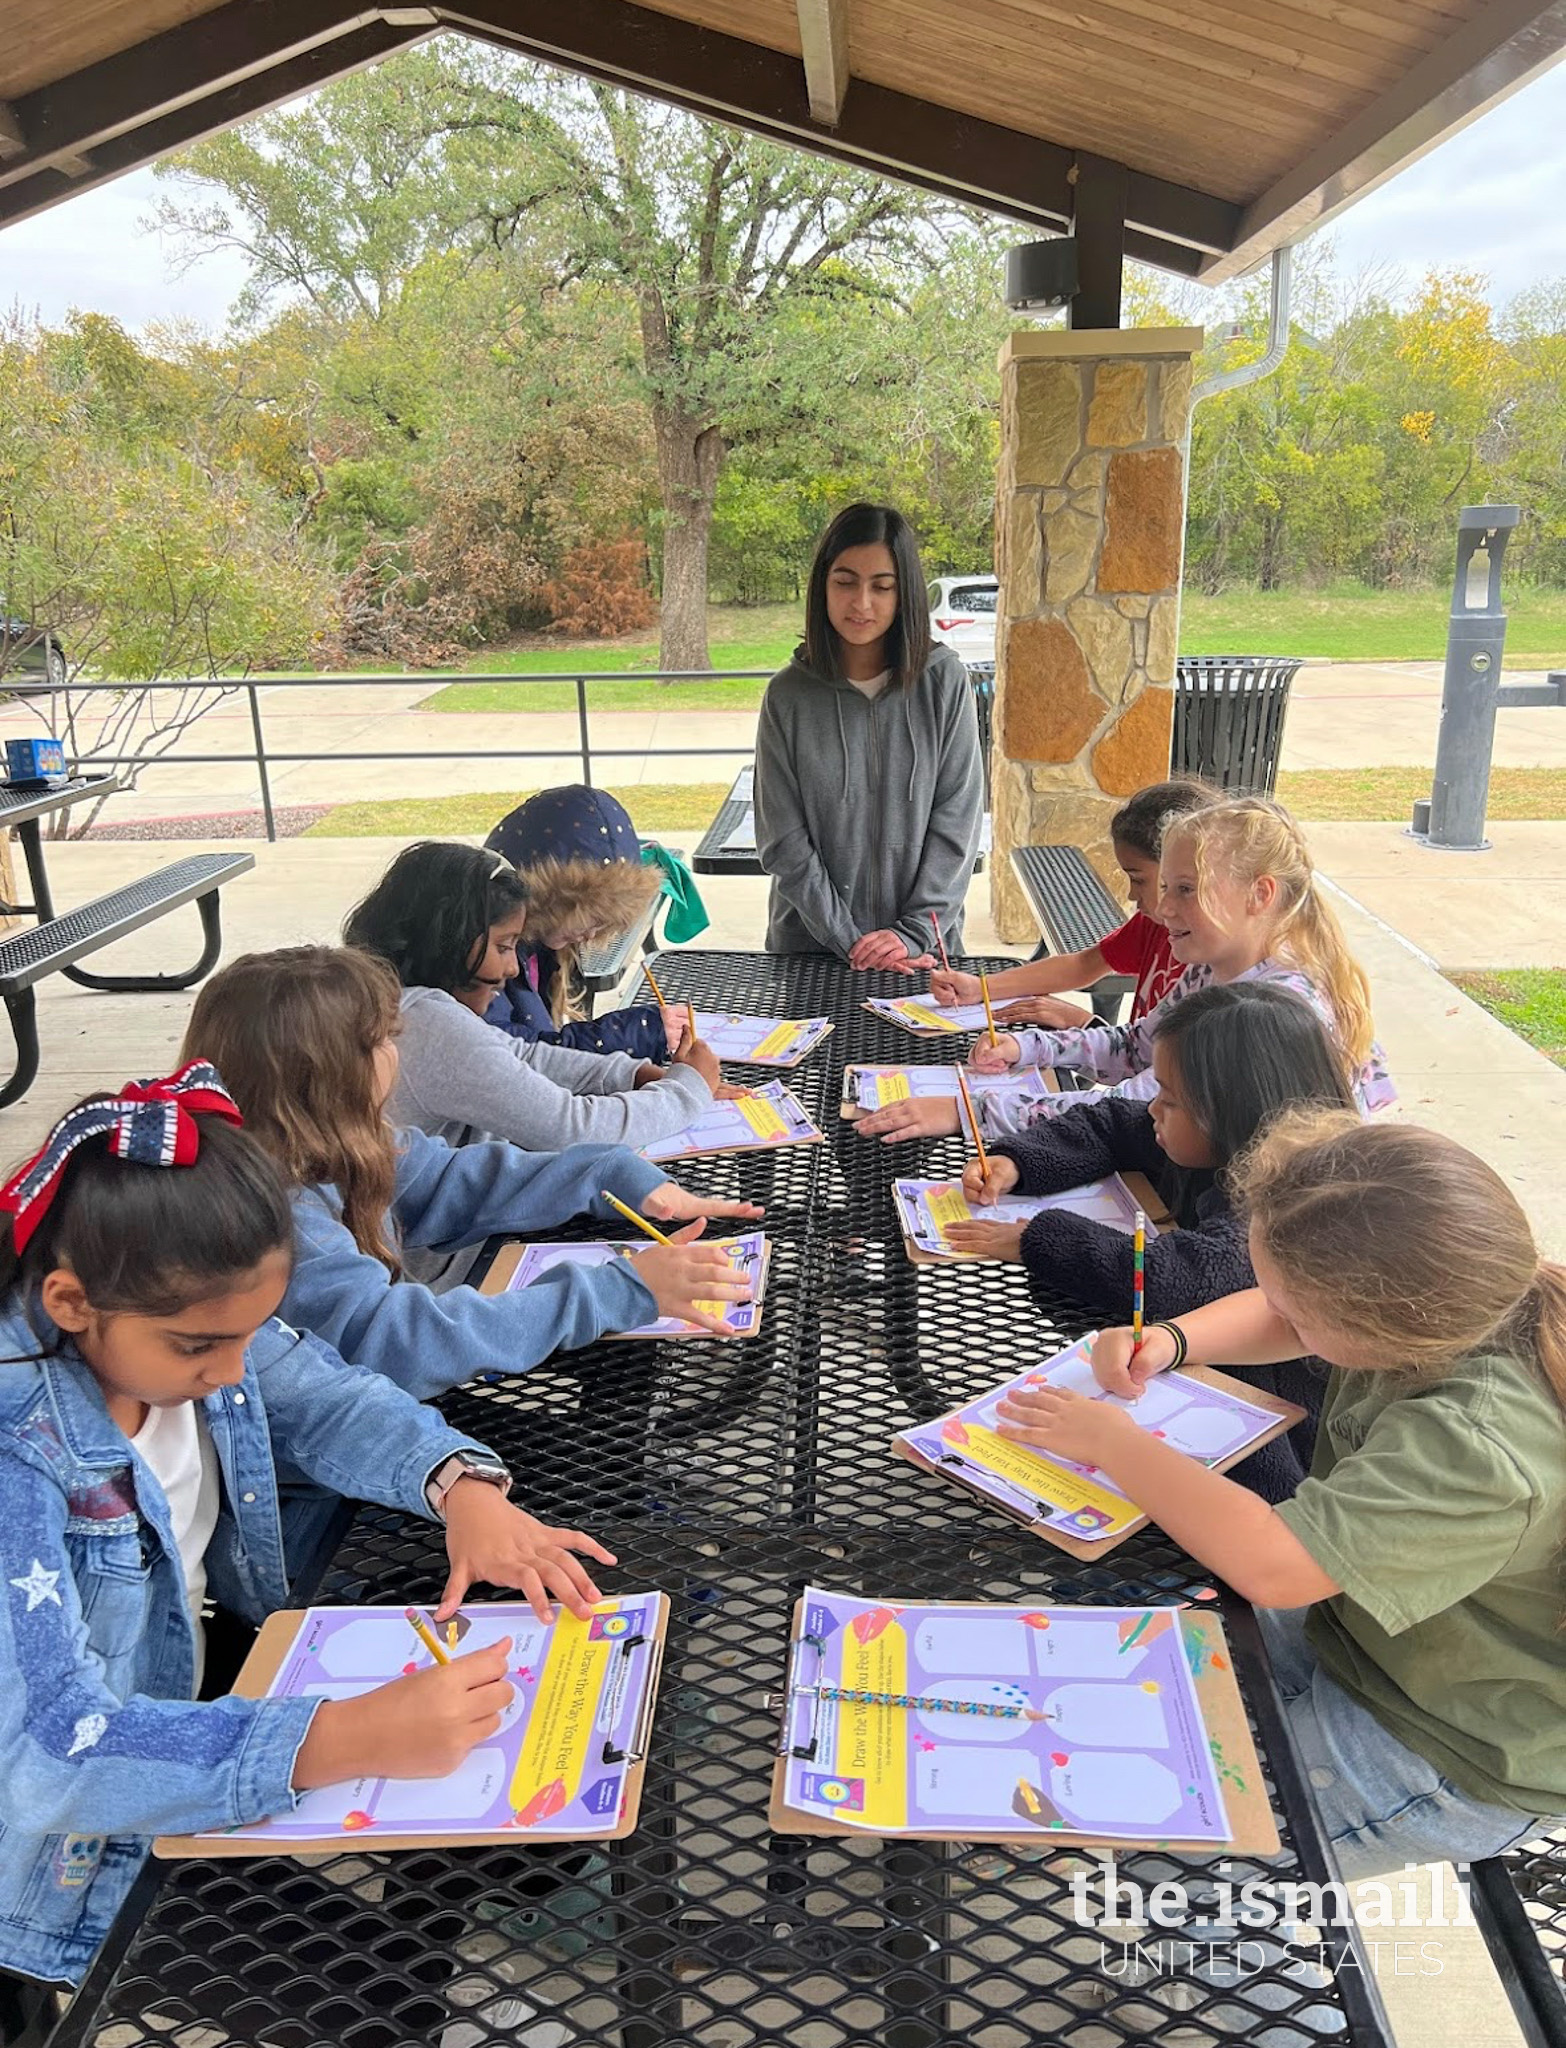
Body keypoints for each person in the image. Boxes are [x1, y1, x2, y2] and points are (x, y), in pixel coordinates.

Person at [0, 1066, 616, 1996]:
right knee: (375, 1995)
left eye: (251, 1334)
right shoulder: (19, 1458)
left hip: (208, 1675)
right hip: (66, 1865)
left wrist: (462, 1489)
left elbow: (325, 1395)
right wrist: (339, 1739)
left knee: (491, 1782)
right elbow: (48, 1753)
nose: (233, 1371)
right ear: (69, 1302)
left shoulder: (182, 1325)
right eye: (202, 1347)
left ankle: (467, 1891)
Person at [996, 1112, 1566, 1880]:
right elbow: (1281, 1315)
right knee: (1116, 1678)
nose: (1279, 1312)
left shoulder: (1477, 1444)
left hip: (1449, 1744)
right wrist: (1173, 1341)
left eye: (1297, 1309)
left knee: (1191, 1874)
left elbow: (1277, 1564)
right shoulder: (1443, 1308)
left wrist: (1113, 1442)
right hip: (1366, 1638)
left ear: (1371, 1321)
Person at [181, 948, 762, 1396]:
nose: (397, 1052)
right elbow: (398, 1342)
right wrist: (619, 1289)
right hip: (335, 1480)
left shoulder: (339, 1144)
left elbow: (452, 1181)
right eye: (384, 1041)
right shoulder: (284, 1218)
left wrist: (612, 1175)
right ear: (332, 1075)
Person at [945, 983, 1356, 1501]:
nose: (1153, 1110)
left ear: (1230, 1106)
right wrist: (1020, 1161)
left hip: (1282, 1465)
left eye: (1170, 1099)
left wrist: (1041, 1237)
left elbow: (1183, 1277)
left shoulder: (1288, 1208)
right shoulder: (1214, 1140)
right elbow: (1113, 1121)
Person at [857, 793, 1394, 1148]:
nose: (1163, 909)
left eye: (1185, 890)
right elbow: (1134, 1048)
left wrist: (967, 1111)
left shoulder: (1270, 1011)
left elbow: (1129, 1104)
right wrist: (1029, 1049)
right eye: (1166, 889)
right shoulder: (1212, 968)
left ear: (1260, 895)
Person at [343, 841, 720, 1156]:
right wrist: (686, 1092)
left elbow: (521, 1056)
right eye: (504, 947)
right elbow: (571, 1129)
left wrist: (633, 1074)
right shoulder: (428, 1027)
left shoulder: (400, 1004)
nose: (511, 969)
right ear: (448, 942)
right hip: (473, 1247)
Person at [753, 503, 984, 970]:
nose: (862, 603)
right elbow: (783, 838)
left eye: (882, 586)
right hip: (811, 952)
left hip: (926, 954)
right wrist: (849, 939)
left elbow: (958, 821)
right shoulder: (787, 695)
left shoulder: (944, 682)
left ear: (905, 594)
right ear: (822, 585)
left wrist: (913, 933)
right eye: (844, 582)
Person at [929, 778, 1215, 1029]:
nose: (1131, 896)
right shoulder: (1156, 925)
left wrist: (1080, 1022)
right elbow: (1084, 964)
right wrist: (981, 988)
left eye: (1139, 880)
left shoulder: (1218, 976)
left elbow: (1151, 1069)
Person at [482, 786, 699, 1063]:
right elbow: (517, 1060)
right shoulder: (481, 960)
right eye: (589, 915)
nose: (592, 934)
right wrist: (637, 1033)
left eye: (604, 922)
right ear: (545, 901)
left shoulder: (537, 943)